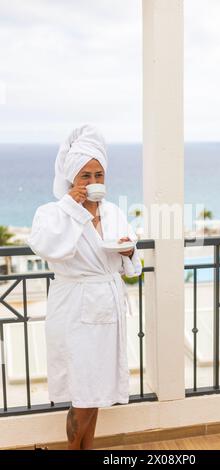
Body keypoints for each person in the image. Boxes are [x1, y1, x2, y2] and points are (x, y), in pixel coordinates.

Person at [27, 124, 142, 450]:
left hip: (106, 306)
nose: (93, 183)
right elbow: (51, 248)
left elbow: (131, 261)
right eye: (85, 176)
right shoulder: (51, 214)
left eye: (99, 175)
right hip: (74, 310)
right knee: (81, 392)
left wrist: (129, 250)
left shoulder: (114, 211)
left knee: (95, 390)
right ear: (71, 180)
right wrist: (74, 210)